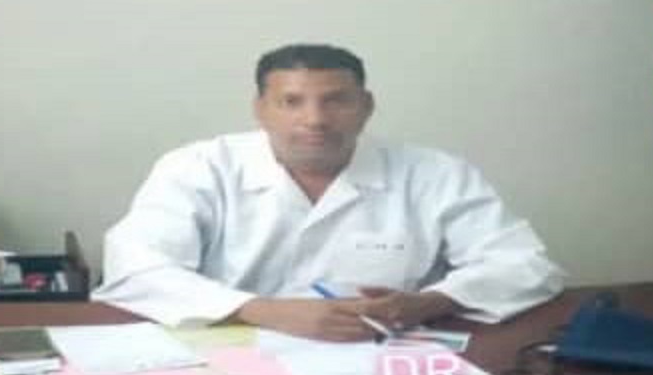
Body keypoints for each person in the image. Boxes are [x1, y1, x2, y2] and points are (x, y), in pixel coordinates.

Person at [92, 43, 564, 341]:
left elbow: (525, 266)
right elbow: (137, 269)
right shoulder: (199, 167)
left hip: (387, 357)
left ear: (366, 106)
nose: (315, 119)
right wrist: (265, 311)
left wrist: (429, 302)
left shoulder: (434, 173)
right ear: (261, 109)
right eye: (291, 102)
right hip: (233, 350)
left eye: (336, 100)